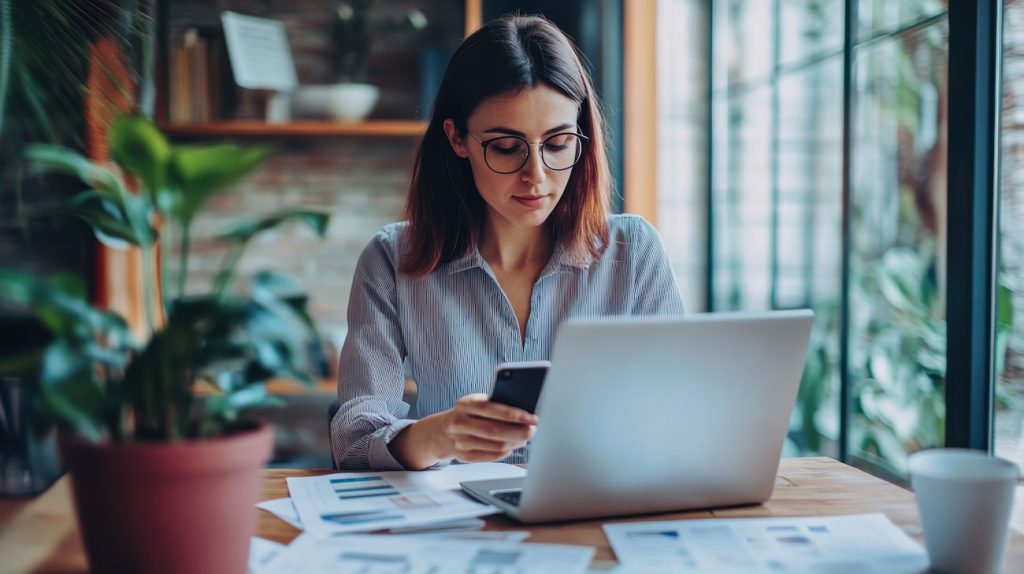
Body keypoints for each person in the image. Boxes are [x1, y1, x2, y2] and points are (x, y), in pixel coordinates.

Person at [331, 14, 684, 471]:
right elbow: (354, 439)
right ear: (457, 138)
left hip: (596, 503)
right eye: (505, 147)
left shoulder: (633, 251)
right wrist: (437, 436)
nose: (535, 175)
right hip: (456, 522)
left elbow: (678, 411)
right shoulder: (391, 260)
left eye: (557, 144)